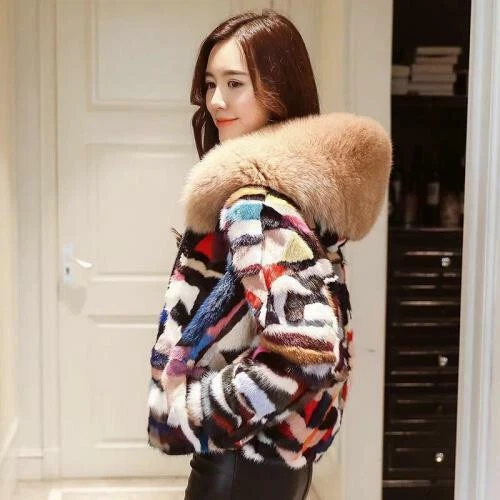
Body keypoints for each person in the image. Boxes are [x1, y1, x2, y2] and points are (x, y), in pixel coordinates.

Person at [147, 9, 392, 500]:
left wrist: (193, 409)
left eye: (235, 83)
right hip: (277, 463)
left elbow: (306, 351)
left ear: (278, 89)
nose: (216, 100)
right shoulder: (294, 196)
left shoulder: (255, 206)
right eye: (211, 84)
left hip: (240, 465)